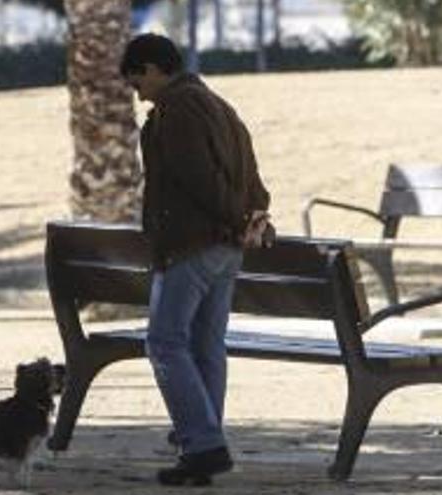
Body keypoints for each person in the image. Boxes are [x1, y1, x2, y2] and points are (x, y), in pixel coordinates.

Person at [120, 33, 271, 486]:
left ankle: (203, 443)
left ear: (152, 68)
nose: (137, 93)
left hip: (194, 243)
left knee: (164, 342)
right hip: (228, 248)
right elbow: (253, 179)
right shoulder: (221, 107)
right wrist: (254, 219)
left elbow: (197, 180)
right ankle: (202, 447)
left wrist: (234, 219)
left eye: (136, 81)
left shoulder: (177, 111)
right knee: (207, 345)